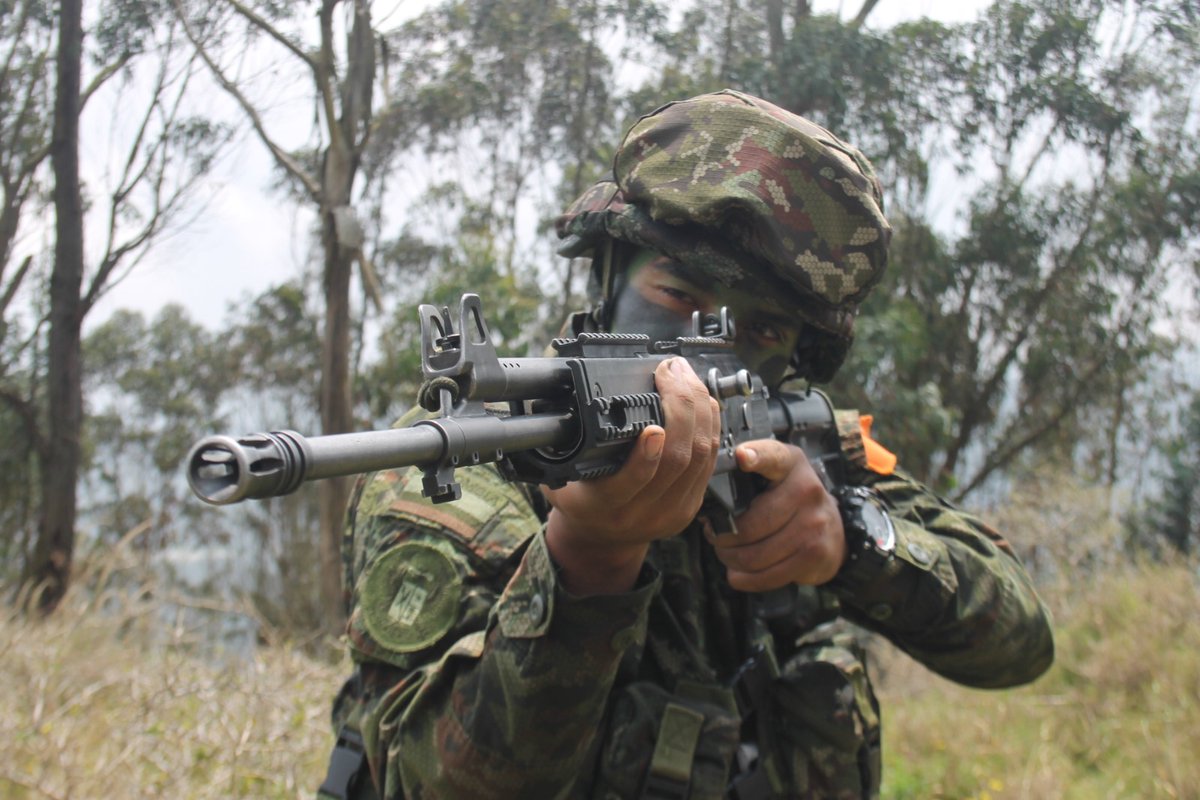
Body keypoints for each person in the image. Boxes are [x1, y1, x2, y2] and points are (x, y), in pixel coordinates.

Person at [321, 90, 1055, 800]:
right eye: (679, 296)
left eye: (762, 331)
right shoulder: (466, 464)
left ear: (796, 355)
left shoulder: (798, 447)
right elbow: (433, 784)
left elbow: (1020, 639)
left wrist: (852, 541)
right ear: (609, 276)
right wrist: (589, 560)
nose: (702, 355)